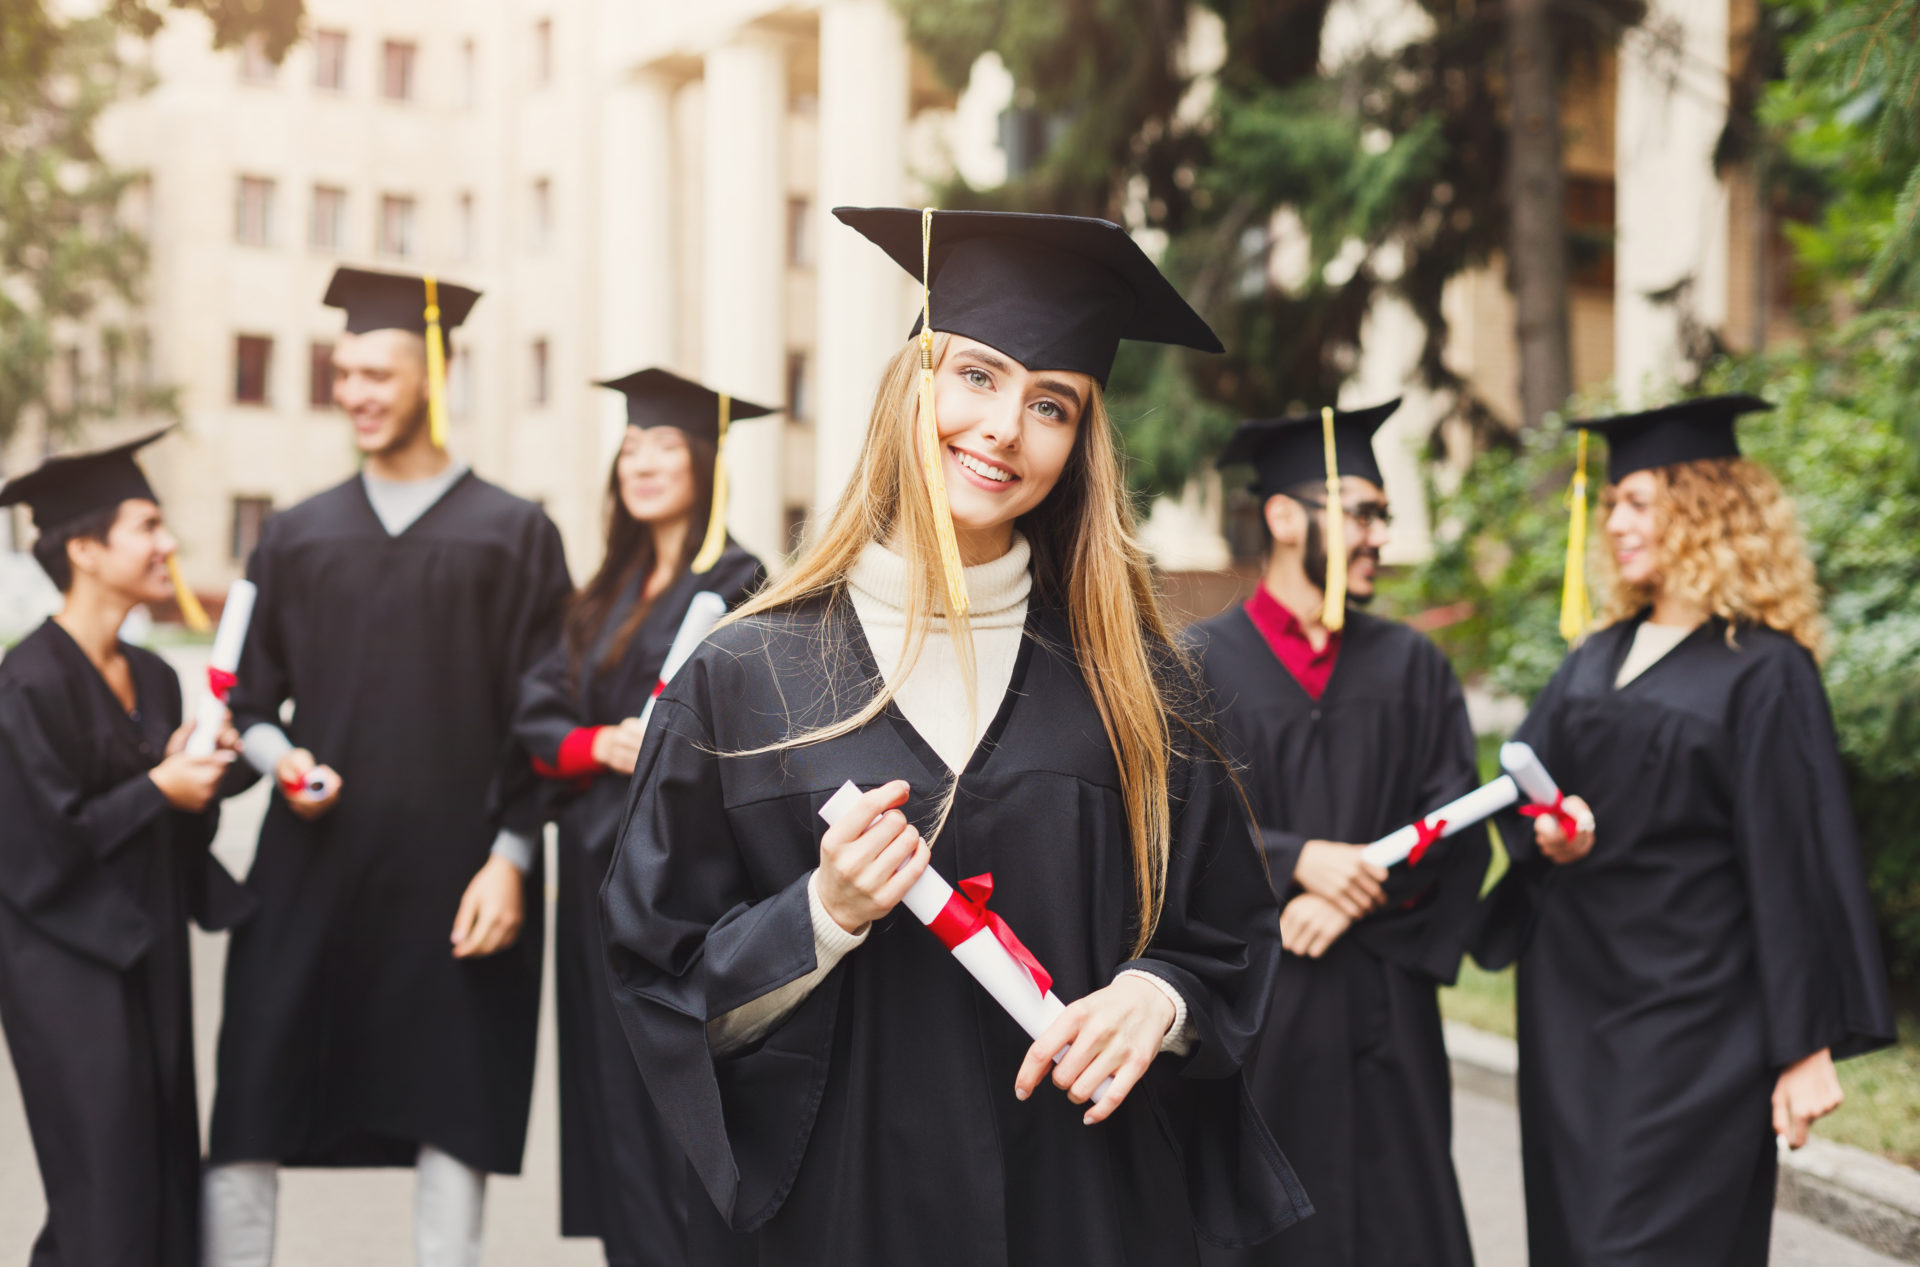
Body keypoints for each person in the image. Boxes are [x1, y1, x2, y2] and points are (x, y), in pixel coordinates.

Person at [599, 206, 1309, 1267]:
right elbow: (662, 987)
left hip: (1084, 1205)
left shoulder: (1141, 685)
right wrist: (822, 913)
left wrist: (1157, 998)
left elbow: (1225, 936)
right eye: (976, 377)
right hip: (843, 1214)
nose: (1006, 429)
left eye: (1052, 405)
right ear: (913, 384)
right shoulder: (745, 677)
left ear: (1079, 443)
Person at [201, 267, 573, 1267]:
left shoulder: (515, 534)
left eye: (379, 371)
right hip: (310, 871)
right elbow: (246, 699)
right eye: (343, 371)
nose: (356, 391)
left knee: (449, 1104)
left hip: (457, 870)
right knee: (253, 1092)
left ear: (435, 376)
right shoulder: (295, 534)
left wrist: (511, 858)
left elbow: (545, 719)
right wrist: (284, 762)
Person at [1473, 393, 1896, 1266]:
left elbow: (1795, 859)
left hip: (1696, 1020)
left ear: (1706, 508)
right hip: (1573, 1011)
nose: (1615, 521)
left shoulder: (1764, 669)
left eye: (1638, 500)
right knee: (1575, 1240)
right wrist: (1552, 830)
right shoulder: (1597, 653)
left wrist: (1805, 1042)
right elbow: (1527, 784)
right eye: (1616, 502)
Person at [1187, 400, 1488, 1267]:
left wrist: (1358, 892)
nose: (1377, 535)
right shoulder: (1198, 663)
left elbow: (1457, 820)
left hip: (1384, 1020)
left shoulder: (1413, 666)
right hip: (1260, 1022)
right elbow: (1169, 831)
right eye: (1360, 510)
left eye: (1382, 514)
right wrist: (1292, 863)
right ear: (1285, 517)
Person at [513, 368, 769, 1266]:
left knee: (671, 1098)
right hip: (592, 875)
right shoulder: (602, 592)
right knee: (606, 1097)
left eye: (663, 445)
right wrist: (597, 744)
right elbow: (537, 708)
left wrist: (662, 746)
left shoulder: (742, 583)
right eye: (630, 448)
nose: (644, 463)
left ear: (705, 458)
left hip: (678, 889)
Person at [0, 428, 252, 1267]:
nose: (168, 544)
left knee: (164, 1177)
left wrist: (199, 777)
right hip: (64, 971)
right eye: (147, 525)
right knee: (102, 1192)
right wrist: (156, 787)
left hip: (151, 956)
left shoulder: (152, 676)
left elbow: (172, 833)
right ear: (83, 548)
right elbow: (35, 848)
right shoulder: (28, 682)